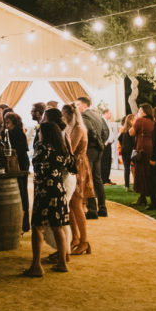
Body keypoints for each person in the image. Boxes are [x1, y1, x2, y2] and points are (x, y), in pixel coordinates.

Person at [23, 120, 75, 277]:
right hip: (58, 190)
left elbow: (38, 168)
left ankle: (36, 265)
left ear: (44, 134)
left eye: (40, 132)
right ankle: (62, 262)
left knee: (37, 227)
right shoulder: (62, 150)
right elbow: (73, 167)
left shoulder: (42, 148)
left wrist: (39, 179)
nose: (38, 135)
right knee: (57, 226)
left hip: (45, 190)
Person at [62, 104, 92, 255]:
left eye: (63, 115)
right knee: (70, 205)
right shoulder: (70, 128)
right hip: (73, 165)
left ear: (69, 115)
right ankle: (75, 238)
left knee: (77, 204)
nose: (62, 118)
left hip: (78, 166)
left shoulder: (79, 128)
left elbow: (70, 149)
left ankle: (84, 241)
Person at [76, 96, 109, 219]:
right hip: (99, 150)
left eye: (78, 105)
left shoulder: (84, 116)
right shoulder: (97, 115)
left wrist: (95, 143)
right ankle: (102, 208)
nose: (77, 107)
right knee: (98, 179)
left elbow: (89, 132)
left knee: (88, 179)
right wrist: (101, 143)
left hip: (90, 149)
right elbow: (106, 131)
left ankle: (92, 210)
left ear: (84, 105)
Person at [4, 112, 31, 231]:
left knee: (23, 192)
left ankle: (25, 223)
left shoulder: (18, 132)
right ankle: (22, 223)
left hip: (21, 163)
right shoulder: (9, 132)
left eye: (8, 122)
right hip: (16, 162)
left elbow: (22, 149)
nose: (6, 125)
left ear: (14, 122)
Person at [132, 104, 154, 207]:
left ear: (144, 112)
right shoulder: (153, 121)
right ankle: (150, 195)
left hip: (142, 148)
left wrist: (135, 120)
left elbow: (131, 132)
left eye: (139, 111)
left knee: (140, 173)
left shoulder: (140, 121)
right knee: (149, 172)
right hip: (151, 148)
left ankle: (142, 197)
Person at [118, 114, 136, 191]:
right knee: (134, 167)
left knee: (126, 169)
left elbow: (119, 138)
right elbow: (134, 142)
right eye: (134, 119)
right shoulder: (132, 130)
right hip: (130, 151)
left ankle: (127, 186)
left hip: (124, 151)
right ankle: (136, 186)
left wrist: (123, 145)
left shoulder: (124, 130)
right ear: (131, 120)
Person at [102, 108, 118, 184]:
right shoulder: (102, 121)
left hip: (109, 145)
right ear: (105, 113)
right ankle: (103, 179)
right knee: (104, 162)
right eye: (110, 113)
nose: (111, 115)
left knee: (108, 162)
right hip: (105, 145)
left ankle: (107, 178)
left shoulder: (108, 122)